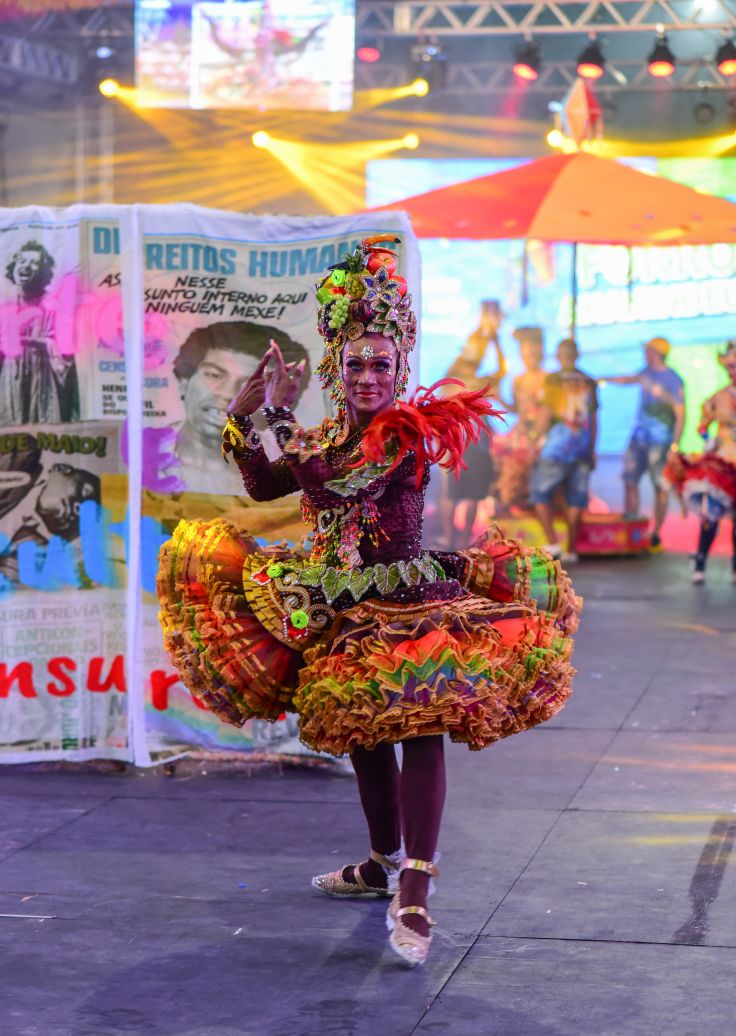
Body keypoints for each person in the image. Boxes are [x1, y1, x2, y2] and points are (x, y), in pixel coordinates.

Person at [157, 237, 581, 967]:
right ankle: (382, 861)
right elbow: (267, 486)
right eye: (353, 363)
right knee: (361, 733)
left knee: (417, 726)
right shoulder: (324, 432)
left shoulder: (406, 436)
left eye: (380, 363)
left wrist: (279, 419)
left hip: (409, 601)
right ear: (335, 367)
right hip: (337, 604)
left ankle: (416, 884)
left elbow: (333, 484)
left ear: (400, 367)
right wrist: (240, 417)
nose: (366, 376)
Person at [171, 320, 309, 494]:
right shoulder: (138, 453)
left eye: (252, 387)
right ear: (184, 382)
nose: (230, 395)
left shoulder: (294, 467)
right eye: (214, 375)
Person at [0, 241, 80, 428]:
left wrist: (27, 341)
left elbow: (63, 351)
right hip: (6, 385)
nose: (25, 266)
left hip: (38, 385)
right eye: (21, 261)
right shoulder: (3, 304)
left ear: (43, 271)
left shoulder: (52, 305)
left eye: (34, 263)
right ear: (13, 267)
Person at [666, 341, 736, 584]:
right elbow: (703, 425)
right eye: (730, 367)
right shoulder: (719, 398)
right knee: (712, 514)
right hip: (724, 460)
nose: (733, 371)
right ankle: (700, 560)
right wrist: (709, 440)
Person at [607, 337, 685, 551]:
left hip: (660, 442)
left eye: (648, 350)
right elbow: (628, 379)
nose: (645, 354)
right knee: (629, 477)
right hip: (640, 437)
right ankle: (631, 524)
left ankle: (656, 534)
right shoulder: (645, 373)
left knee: (660, 484)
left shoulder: (672, 379)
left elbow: (681, 413)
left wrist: (675, 445)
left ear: (657, 353)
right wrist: (601, 379)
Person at [438, 314, 506, 547]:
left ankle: (464, 541)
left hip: (477, 443)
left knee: (474, 494)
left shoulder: (478, 379)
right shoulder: (453, 376)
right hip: (456, 441)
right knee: (452, 494)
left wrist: (495, 340)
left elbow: (502, 370)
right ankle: (450, 540)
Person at [531, 338, 598, 563]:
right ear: (577, 355)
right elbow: (594, 419)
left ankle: (552, 543)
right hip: (581, 446)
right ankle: (571, 549)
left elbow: (546, 413)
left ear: (559, 356)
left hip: (556, 447)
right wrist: (591, 448)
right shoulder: (589, 381)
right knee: (576, 499)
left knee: (540, 492)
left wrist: (534, 440)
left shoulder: (553, 380)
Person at [493, 327, 547, 511]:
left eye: (533, 350)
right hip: (521, 431)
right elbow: (517, 409)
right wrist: (499, 398)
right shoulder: (518, 380)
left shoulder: (548, 379)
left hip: (542, 433)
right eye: (525, 350)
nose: (529, 355)